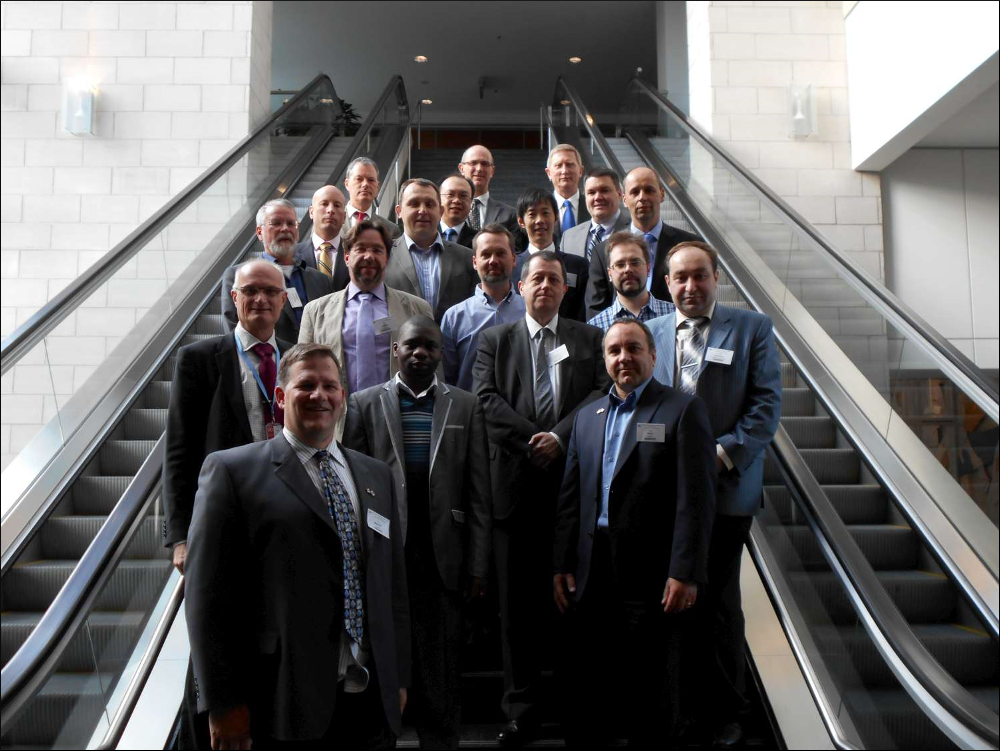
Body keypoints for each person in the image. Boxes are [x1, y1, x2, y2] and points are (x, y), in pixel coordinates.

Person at [185, 343, 410, 748]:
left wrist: (398, 677)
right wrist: (222, 702)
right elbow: (206, 599)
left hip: (368, 700)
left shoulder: (376, 476)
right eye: (306, 385)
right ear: (281, 396)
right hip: (279, 702)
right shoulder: (232, 472)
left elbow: (391, 586)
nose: (319, 395)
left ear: (343, 397)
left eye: (330, 386)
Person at [552, 319, 716, 746]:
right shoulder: (588, 417)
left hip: (653, 573)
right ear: (605, 359)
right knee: (595, 685)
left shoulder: (682, 410)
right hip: (592, 572)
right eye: (614, 351)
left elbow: (695, 500)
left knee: (652, 688)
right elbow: (571, 498)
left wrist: (685, 571)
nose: (624, 357)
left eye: (633, 348)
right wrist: (561, 563)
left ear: (652, 354)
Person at [647, 240, 782, 748]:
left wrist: (719, 455)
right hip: (664, 495)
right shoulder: (653, 333)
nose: (690, 286)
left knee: (719, 605)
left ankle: (728, 713)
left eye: (700, 276)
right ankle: (679, 711)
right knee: (672, 604)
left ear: (716, 277)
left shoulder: (753, 329)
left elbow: (766, 406)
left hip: (726, 491)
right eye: (680, 278)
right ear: (666, 283)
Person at [473, 250, 610, 746]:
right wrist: (536, 439)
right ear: (521, 284)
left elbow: (602, 394)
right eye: (537, 279)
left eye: (554, 279)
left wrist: (561, 438)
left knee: (575, 602)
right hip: (512, 488)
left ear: (564, 288)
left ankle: (575, 706)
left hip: (574, 488)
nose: (546, 287)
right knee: (517, 609)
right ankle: (521, 709)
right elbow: (485, 399)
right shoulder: (495, 339)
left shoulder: (589, 339)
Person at [344, 315, 492, 750]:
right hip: (385, 551)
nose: (420, 353)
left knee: (439, 662)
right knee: (385, 655)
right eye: (411, 345)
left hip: (443, 554)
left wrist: (478, 563)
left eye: (429, 346)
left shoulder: (465, 406)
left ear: (441, 354)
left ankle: (440, 739)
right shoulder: (363, 404)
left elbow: (479, 490)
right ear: (396, 350)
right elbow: (351, 485)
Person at [163, 259, 292, 750]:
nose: (261, 300)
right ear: (234, 299)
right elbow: (178, 452)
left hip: (283, 522)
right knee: (216, 638)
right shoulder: (200, 359)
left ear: (284, 300)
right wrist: (180, 536)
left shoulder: (297, 359)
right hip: (223, 524)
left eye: (271, 292)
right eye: (250, 292)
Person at [298, 219, 432, 436]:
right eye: (360, 249)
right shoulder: (315, 312)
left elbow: (433, 374)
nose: (369, 256)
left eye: (377, 250)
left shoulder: (417, 308)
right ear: (347, 256)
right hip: (336, 425)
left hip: (399, 422)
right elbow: (302, 372)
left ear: (387, 258)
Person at [585, 167, 700, 319]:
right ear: (624, 199)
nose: (642, 197)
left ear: (662, 194)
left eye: (649, 190)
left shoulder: (690, 245)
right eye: (635, 192)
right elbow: (595, 310)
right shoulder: (603, 250)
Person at [221, 198, 333, 342]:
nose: (285, 229)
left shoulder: (321, 280)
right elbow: (233, 330)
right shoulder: (237, 276)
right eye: (276, 223)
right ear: (259, 232)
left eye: (291, 223)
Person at [440, 225, 525, 391]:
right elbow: (447, 380)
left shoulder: (530, 312)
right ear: (474, 262)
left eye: (501, 253)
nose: (493, 261)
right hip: (468, 413)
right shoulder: (454, 317)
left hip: (521, 414)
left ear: (514, 259)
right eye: (486, 254)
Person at [385, 178, 478, 321]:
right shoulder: (383, 255)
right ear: (399, 211)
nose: (423, 210)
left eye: (430, 204)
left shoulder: (467, 257)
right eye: (414, 204)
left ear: (440, 211)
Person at [512, 188, 589, 321]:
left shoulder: (578, 266)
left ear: (556, 217)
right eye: (532, 214)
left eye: (545, 213)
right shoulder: (511, 267)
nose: (539, 220)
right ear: (521, 221)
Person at [587, 232, 674, 331]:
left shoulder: (675, 316)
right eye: (620, 265)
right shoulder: (595, 328)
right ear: (609, 273)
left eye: (635, 263)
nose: (628, 269)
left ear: (648, 269)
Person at [559, 168, 629, 261]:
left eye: (604, 190)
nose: (598, 197)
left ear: (619, 194)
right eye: (591, 192)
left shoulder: (635, 231)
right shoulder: (568, 238)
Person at [295, 184, 350, 290]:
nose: (330, 210)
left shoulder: (354, 254)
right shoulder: (293, 255)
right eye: (324, 204)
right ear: (311, 212)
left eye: (337, 205)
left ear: (344, 217)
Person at [457, 144, 518, 233]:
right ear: (461, 168)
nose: (479, 169)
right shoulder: (449, 210)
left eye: (485, 164)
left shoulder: (510, 215)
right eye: (473, 163)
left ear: (492, 171)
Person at [342, 156, 403, 240]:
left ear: (377, 187)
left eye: (371, 180)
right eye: (359, 179)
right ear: (347, 184)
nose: (365, 184)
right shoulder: (331, 220)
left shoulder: (391, 230)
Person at [545, 143, 589, 241]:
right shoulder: (540, 208)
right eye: (558, 165)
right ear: (549, 173)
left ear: (581, 171)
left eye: (570, 165)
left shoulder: (592, 206)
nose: (564, 171)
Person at [438, 173, 478, 248]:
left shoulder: (478, 240)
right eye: (450, 194)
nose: (457, 200)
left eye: (463, 196)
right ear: (438, 199)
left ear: (471, 203)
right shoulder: (425, 235)